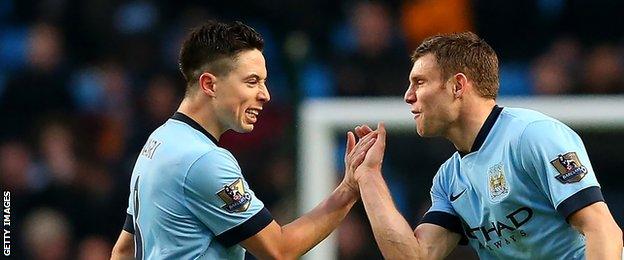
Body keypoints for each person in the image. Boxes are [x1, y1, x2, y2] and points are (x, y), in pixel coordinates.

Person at [110, 20, 376, 259]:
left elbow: (123, 250)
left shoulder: (159, 141)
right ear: (210, 85)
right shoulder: (204, 160)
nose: (265, 95)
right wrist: (349, 190)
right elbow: (279, 249)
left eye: (264, 82)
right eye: (252, 81)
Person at [349, 32, 623, 259]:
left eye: (419, 82)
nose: (408, 96)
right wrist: (370, 178)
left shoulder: (533, 136)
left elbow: (602, 229)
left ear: (457, 86)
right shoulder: (449, 179)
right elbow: (415, 257)